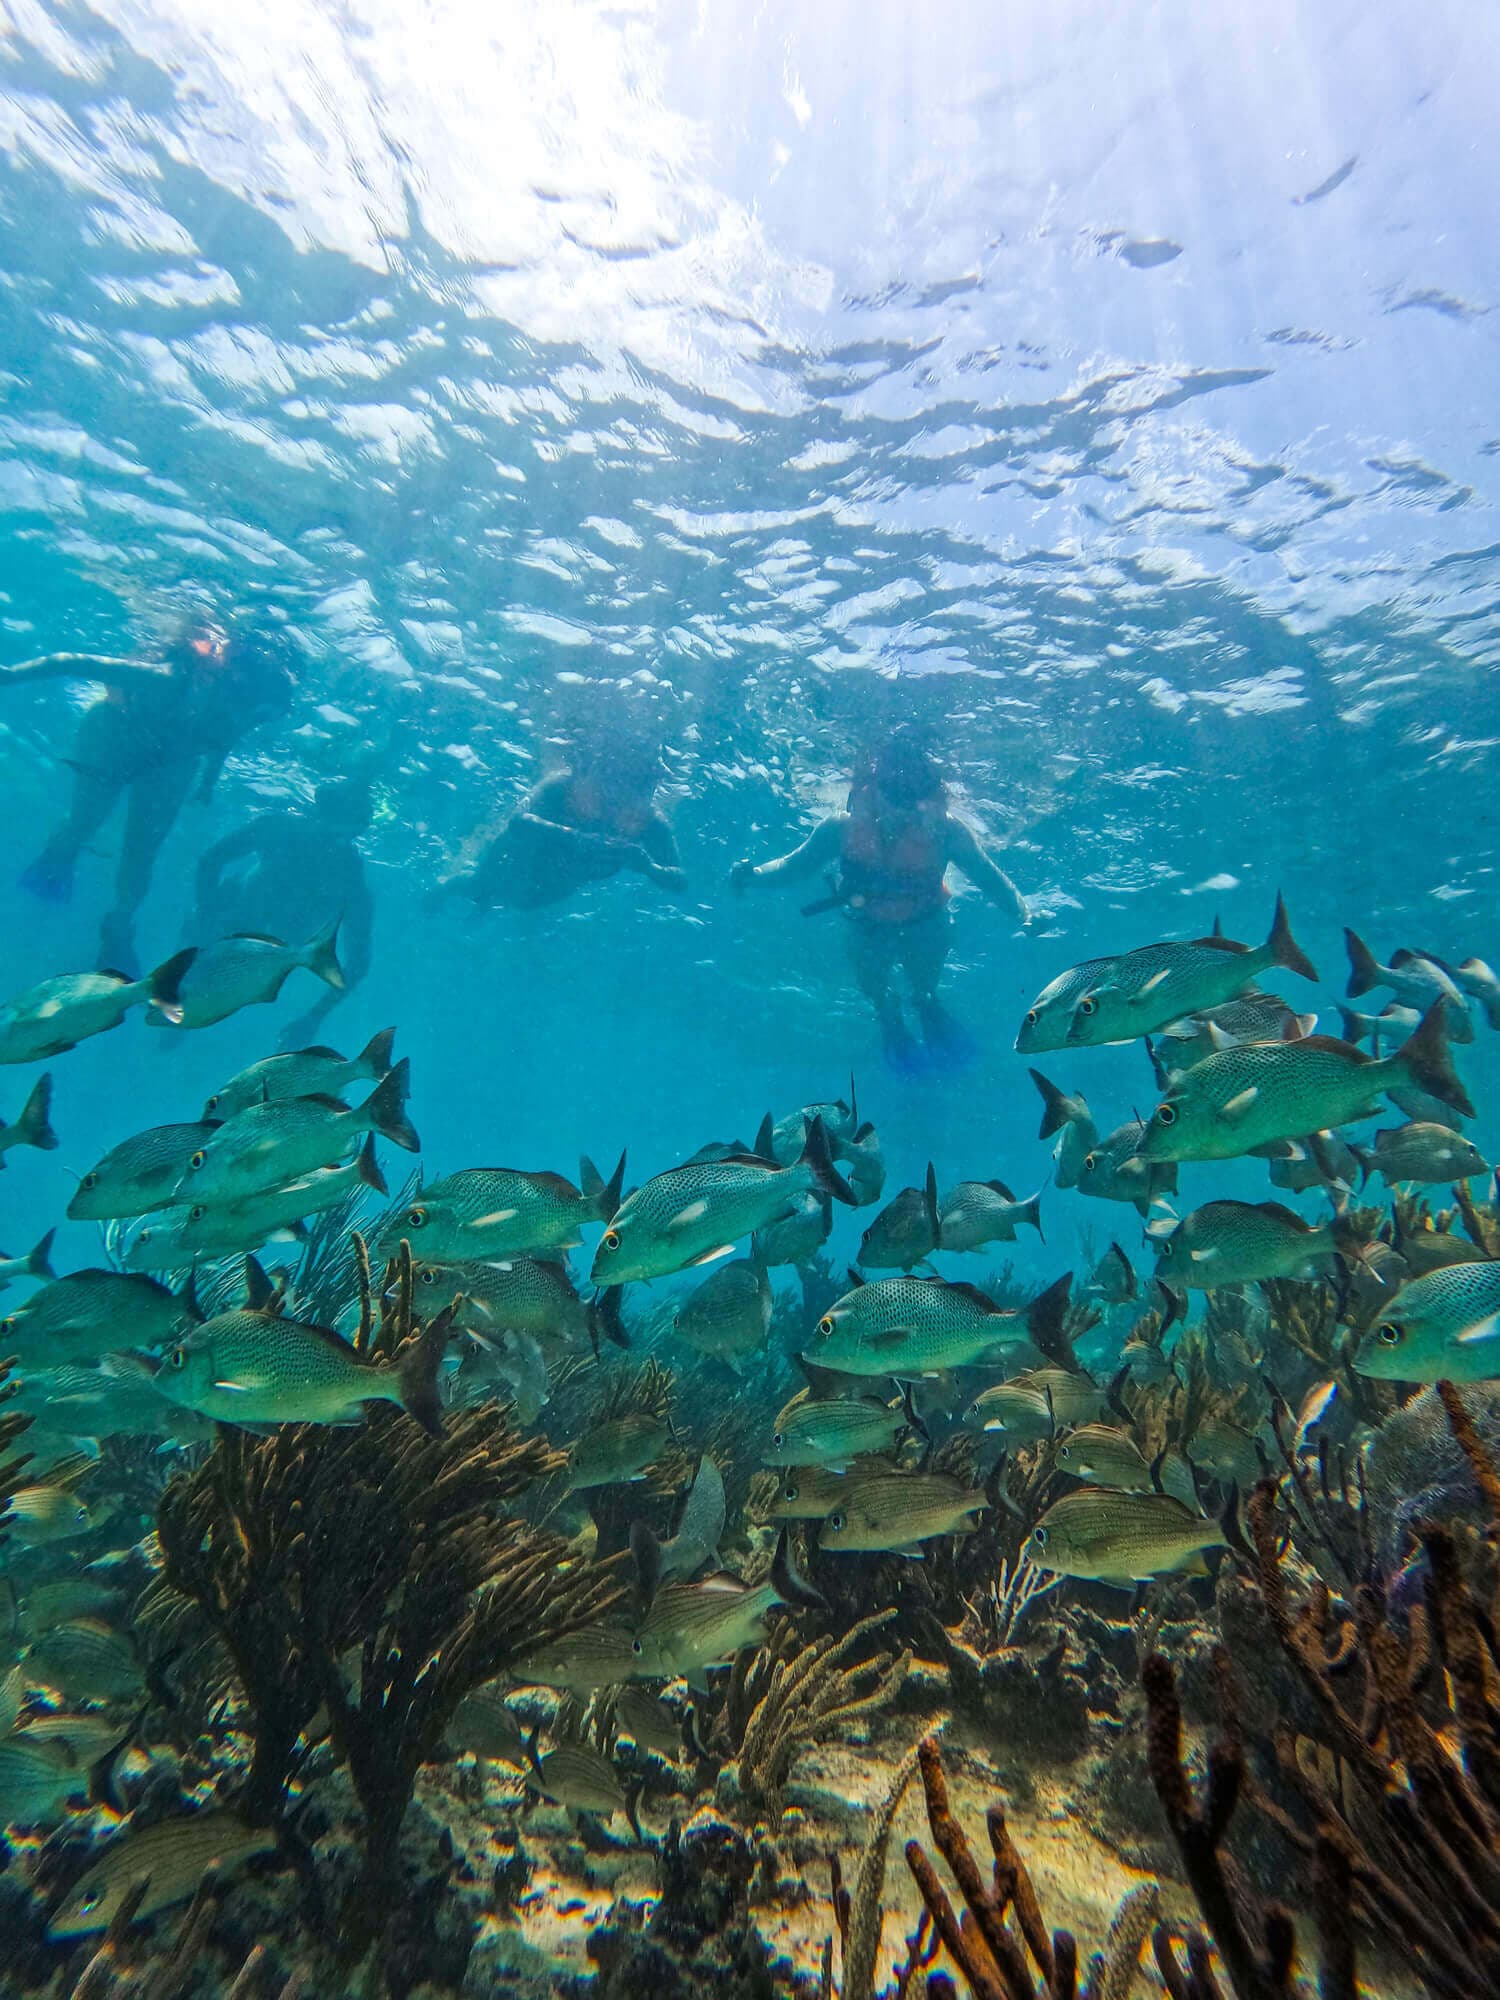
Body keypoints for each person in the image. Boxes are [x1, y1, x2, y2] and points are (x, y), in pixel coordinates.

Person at [731, 728, 1030, 1071]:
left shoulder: (948, 832)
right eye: (893, 792)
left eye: (914, 795)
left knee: (925, 988)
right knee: (876, 991)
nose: (904, 808)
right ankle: (890, 1017)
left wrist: (1025, 914)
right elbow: (793, 867)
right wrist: (753, 875)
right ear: (873, 787)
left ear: (930, 793)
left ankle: (925, 1005)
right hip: (866, 927)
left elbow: (989, 878)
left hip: (928, 926)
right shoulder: (839, 828)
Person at [9, 619, 295, 971]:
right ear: (225, 681)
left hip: (173, 764)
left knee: (142, 852)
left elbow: (223, 740)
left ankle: (119, 926)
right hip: (113, 734)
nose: (247, 721)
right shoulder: (174, 677)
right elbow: (78, 662)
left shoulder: (241, 711)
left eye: (257, 716)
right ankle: (58, 859)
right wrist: (10, 673)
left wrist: (208, 781)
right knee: (85, 821)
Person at [188, 775, 376, 1047]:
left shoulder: (348, 874)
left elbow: (359, 962)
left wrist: (314, 1017)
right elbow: (210, 860)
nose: (325, 841)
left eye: (339, 833)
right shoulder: (280, 829)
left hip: (256, 943)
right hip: (237, 929)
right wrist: (205, 912)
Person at [441, 733, 686, 911]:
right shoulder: (564, 785)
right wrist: (579, 839)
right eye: (636, 779)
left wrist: (649, 868)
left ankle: (476, 913)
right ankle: (442, 891)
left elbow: (679, 879)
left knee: (513, 904)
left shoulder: (651, 821)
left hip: (549, 890)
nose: (640, 792)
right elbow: (519, 822)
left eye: (649, 784)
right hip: (512, 862)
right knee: (478, 888)